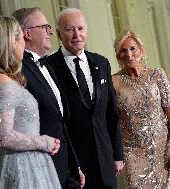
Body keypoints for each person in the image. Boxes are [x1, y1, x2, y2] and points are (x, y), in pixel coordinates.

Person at [0, 16, 61, 189]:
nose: (24, 44)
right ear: (12, 42)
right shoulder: (0, 81)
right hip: (19, 169)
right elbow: (4, 137)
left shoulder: (3, 78)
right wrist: (44, 142)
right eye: (22, 38)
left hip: (26, 165)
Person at [47, 7, 124, 189]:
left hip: (105, 158)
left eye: (80, 29)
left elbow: (111, 113)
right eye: (69, 29)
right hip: (73, 161)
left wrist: (117, 154)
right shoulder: (49, 67)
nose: (76, 35)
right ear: (58, 33)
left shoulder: (101, 62)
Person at [12, 7, 84, 189]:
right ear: (27, 33)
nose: (50, 32)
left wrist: (74, 164)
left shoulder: (47, 64)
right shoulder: (18, 71)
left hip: (66, 166)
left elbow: (61, 122)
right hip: (43, 167)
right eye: (44, 27)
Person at [112, 30, 170, 188]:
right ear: (118, 55)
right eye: (123, 50)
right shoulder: (113, 83)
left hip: (163, 151)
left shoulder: (157, 75)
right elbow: (112, 120)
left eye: (132, 48)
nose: (129, 54)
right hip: (133, 155)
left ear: (141, 50)